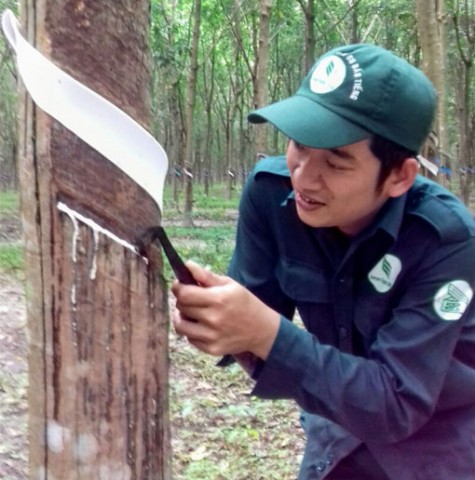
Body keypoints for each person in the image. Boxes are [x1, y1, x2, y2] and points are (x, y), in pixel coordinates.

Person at [171, 43, 475, 479]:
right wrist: (218, 322)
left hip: (436, 449)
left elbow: (397, 403)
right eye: (299, 144)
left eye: (335, 161)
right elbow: (254, 326)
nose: (304, 176)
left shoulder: (445, 241)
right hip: (336, 438)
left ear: (399, 177)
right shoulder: (270, 196)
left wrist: (266, 334)